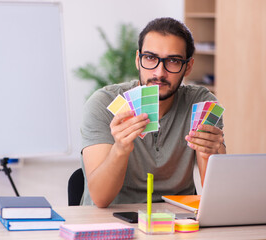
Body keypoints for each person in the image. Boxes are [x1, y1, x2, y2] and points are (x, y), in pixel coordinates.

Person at [80, 17, 226, 208]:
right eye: (150, 58)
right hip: (114, 220)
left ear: (188, 66)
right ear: (138, 60)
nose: (159, 72)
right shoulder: (103, 103)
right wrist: (120, 149)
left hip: (178, 222)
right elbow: (100, 198)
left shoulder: (200, 103)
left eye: (173, 61)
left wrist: (210, 154)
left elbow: (219, 198)